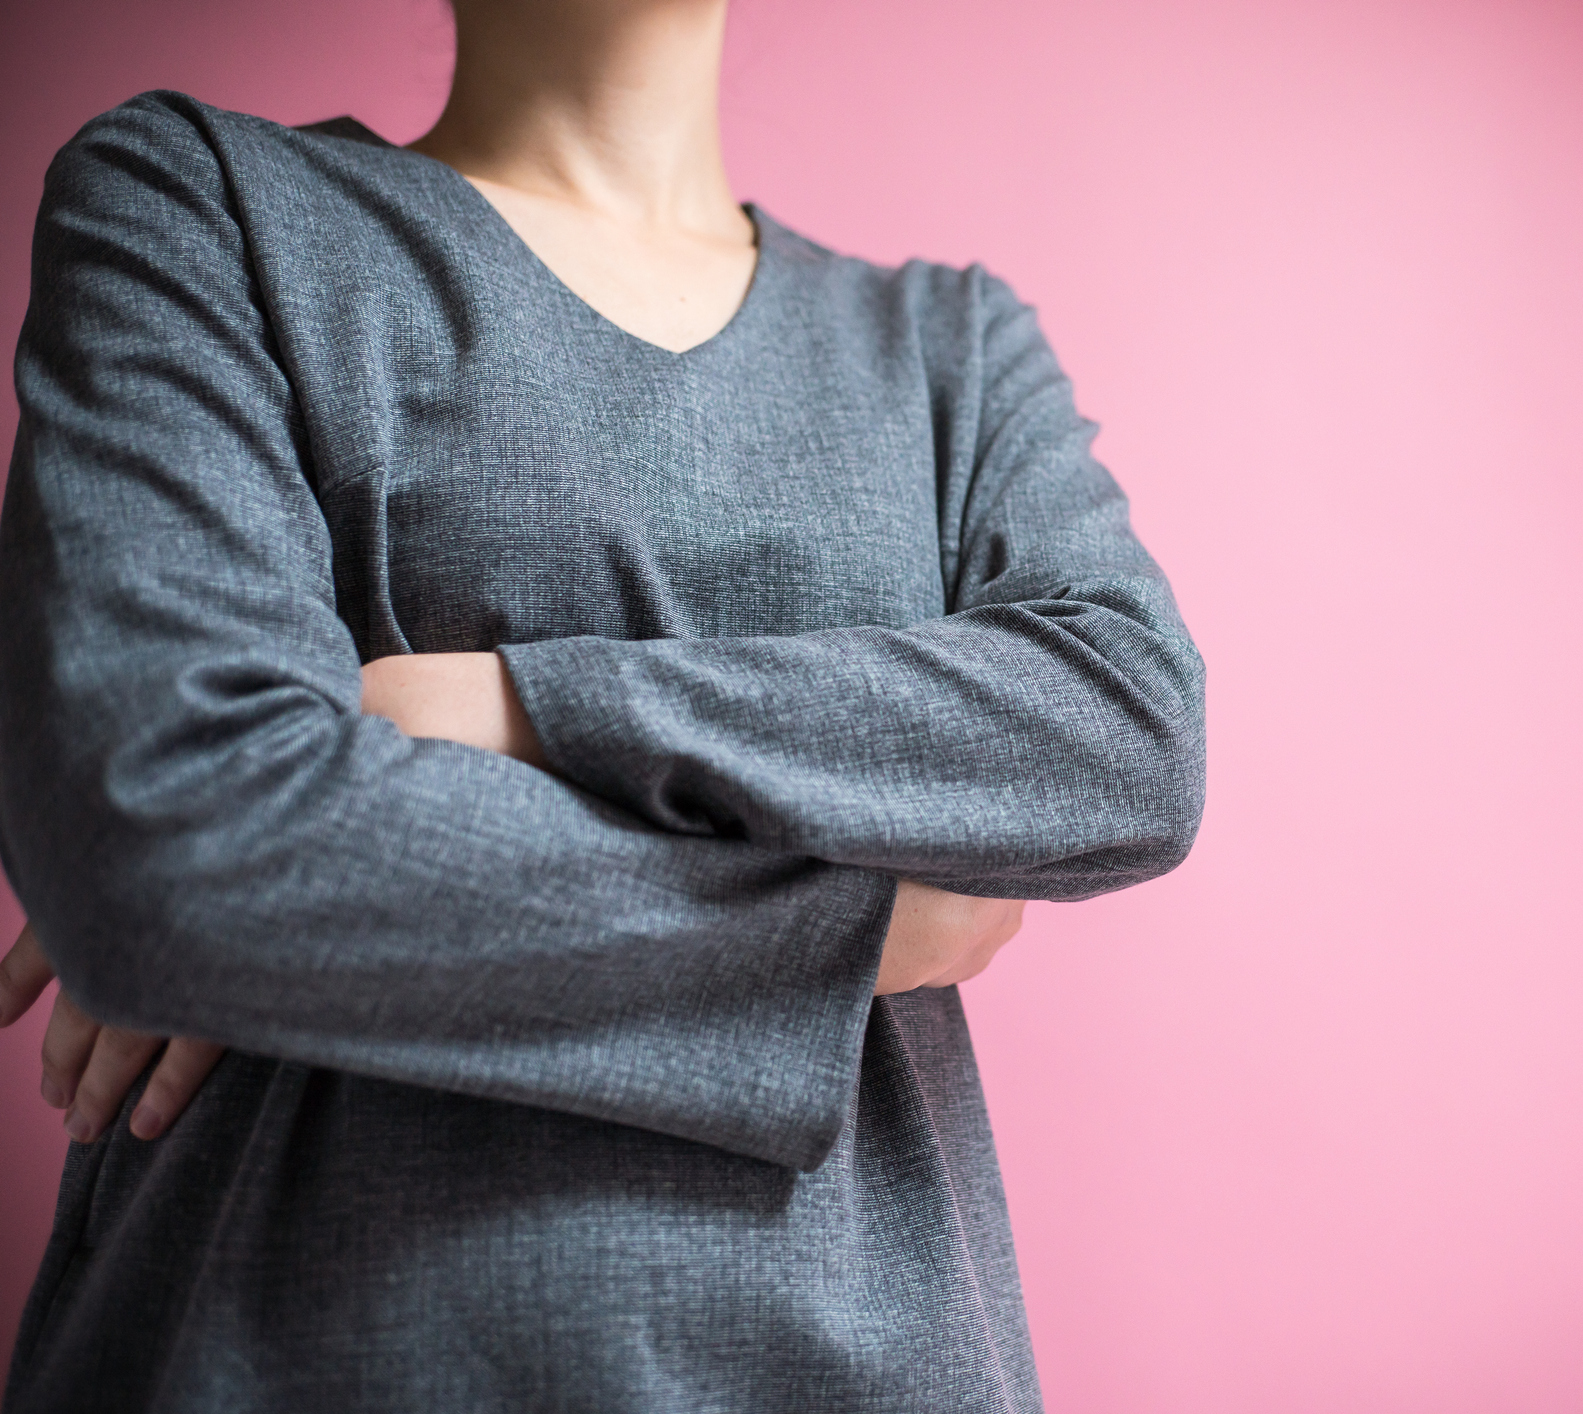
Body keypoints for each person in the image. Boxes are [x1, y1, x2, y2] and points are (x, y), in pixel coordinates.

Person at [0, 0, 1205, 1407]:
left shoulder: (951, 345)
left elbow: (1127, 728)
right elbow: (174, 846)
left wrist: (519, 704)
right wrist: (853, 929)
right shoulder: (194, 202)